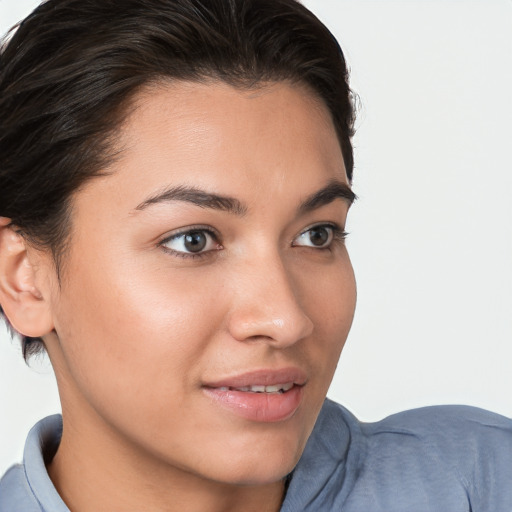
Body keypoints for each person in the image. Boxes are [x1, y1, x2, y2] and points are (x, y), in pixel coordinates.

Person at [0, 0, 511, 511]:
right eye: (193, 240)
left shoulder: (480, 484)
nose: (286, 320)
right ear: (25, 279)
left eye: (317, 234)